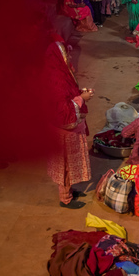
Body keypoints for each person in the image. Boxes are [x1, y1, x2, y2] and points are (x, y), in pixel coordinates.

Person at [46, 37, 93, 209]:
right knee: (65, 164)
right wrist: (82, 98)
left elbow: (68, 96)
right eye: (66, 54)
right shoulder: (56, 80)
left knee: (70, 163)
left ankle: (70, 191)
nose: (70, 58)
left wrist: (80, 93)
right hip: (64, 132)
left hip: (70, 130)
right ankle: (65, 198)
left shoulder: (62, 73)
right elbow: (62, 109)